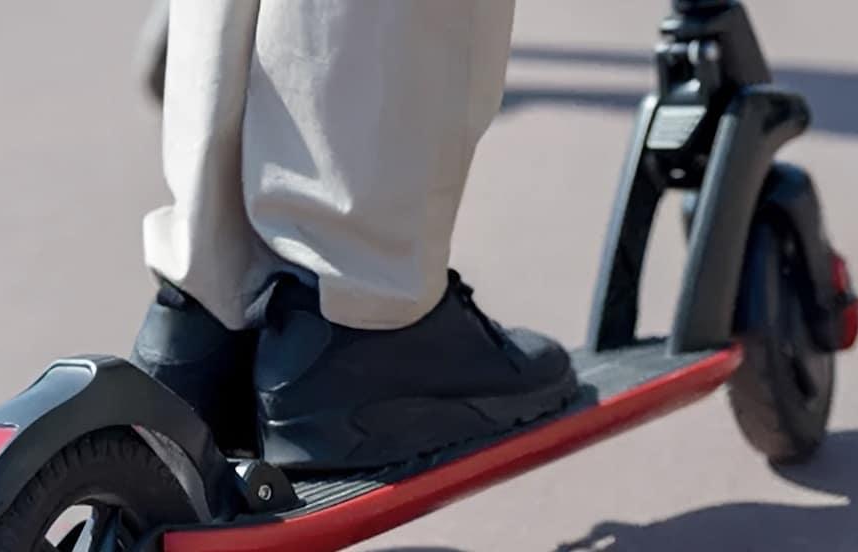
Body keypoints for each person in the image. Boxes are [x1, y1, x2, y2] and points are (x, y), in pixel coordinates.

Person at [130, 0, 578, 471]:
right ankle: (358, 300)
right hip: (349, 332)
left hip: (197, 291)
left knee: (218, 264)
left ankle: (211, 302)